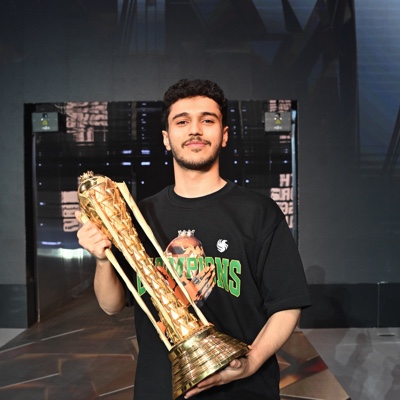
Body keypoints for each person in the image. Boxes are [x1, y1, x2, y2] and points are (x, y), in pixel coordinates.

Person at [75, 78, 311, 399]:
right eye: (182, 121)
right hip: (161, 389)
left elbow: (287, 304)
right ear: (166, 138)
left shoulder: (258, 212)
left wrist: (251, 362)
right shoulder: (140, 216)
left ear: (224, 135)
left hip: (243, 390)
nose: (195, 130)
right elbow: (111, 306)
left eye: (207, 120)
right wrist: (103, 259)